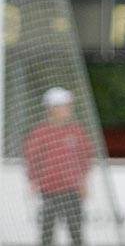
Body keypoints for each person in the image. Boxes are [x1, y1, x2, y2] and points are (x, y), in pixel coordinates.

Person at [23, 87, 94, 246]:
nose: (68, 109)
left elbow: (86, 157)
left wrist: (83, 181)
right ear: (51, 109)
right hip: (49, 191)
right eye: (63, 106)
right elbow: (32, 158)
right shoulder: (40, 133)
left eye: (68, 105)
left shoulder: (77, 132)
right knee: (46, 234)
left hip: (72, 190)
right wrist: (33, 180)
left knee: (76, 233)